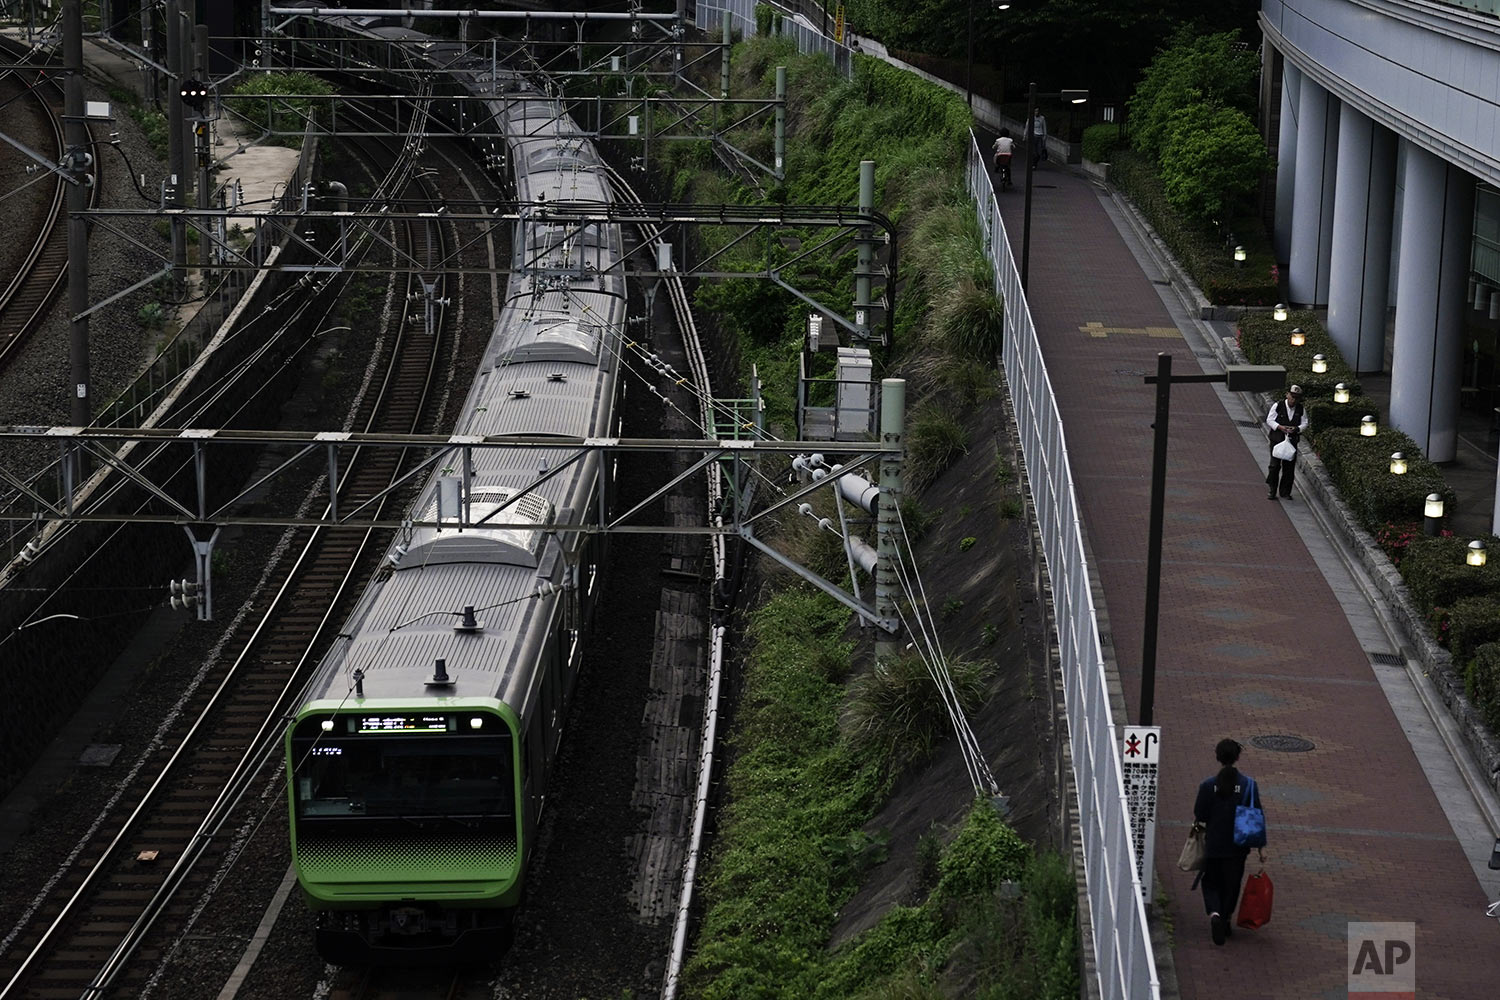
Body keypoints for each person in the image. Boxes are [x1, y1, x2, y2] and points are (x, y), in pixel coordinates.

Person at [1193, 738, 1264, 945]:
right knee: (1231, 885)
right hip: (1238, 846)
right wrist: (1260, 847)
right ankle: (1225, 918)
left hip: (1214, 843)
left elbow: (1200, 813)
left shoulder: (1207, 786)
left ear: (1218, 757)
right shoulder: (1249, 785)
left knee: (1211, 882)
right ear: (1237, 757)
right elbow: (1256, 814)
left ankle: (1214, 914)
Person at [1264, 384, 1309, 500]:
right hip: (1277, 440)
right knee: (1274, 466)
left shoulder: (1300, 409)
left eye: (1296, 398)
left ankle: (1285, 491)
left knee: (1289, 468)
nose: (1293, 400)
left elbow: (1305, 423)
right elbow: (1269, 419)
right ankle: (1272, 489)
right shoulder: (1278, 406)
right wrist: (1279, 427)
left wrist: (1297, 429)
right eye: (1292, 396)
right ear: (1287, 395)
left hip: (1291, 440)